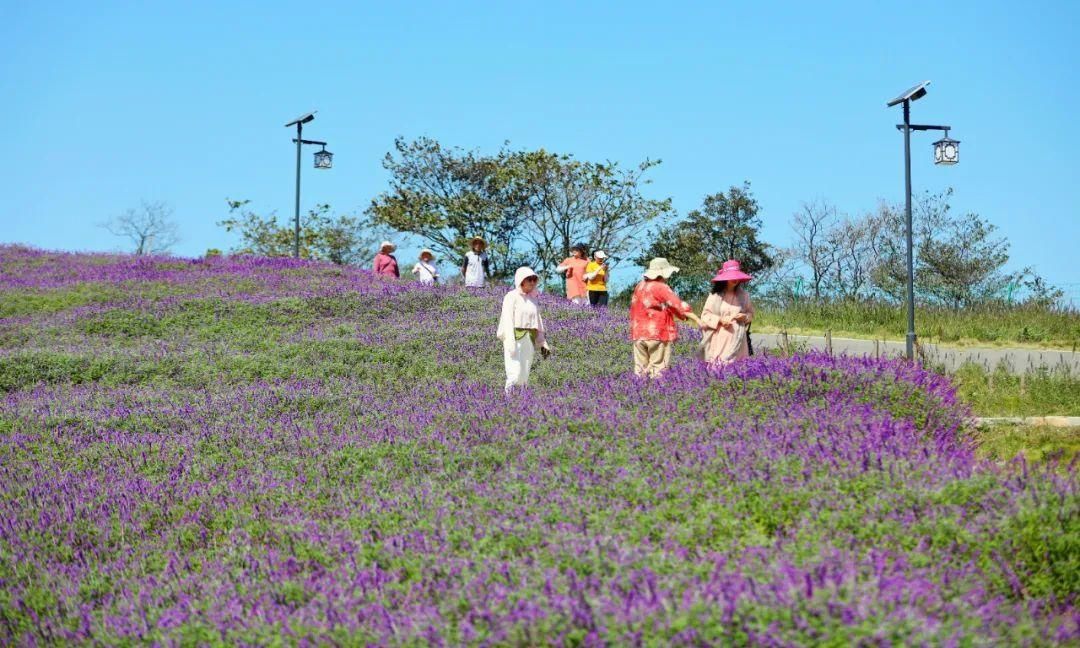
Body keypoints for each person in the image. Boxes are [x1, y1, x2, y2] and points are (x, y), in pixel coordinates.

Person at [629, 258, 700, 378]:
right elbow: (677, 305)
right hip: (657, 333)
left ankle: (639, 391)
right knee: (658, 367)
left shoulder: (639, 286)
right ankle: (656, 394)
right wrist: (694, 318)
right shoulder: (661, 287)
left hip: (638, 333)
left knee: (640, 368)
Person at [496, 267, 552, 392]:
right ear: (521, 280)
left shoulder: (533, 299)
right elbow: (507, 319)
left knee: (524, 373)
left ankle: (521, 401)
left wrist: (542, 342)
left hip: (529, 338)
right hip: (515, 337)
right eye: (529, 279)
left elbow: (537, 321)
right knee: (514, 371)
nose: (532, 282)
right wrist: (510, 341)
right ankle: (508, 398)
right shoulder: (511, 296)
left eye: (534, 280)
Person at [698, 260, 755, 365]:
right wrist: (720, 320)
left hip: (739, 339)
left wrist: (744, 317)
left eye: (736, 276)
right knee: (718, 365)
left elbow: (750, 314)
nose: (735, 279)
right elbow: (705, 315)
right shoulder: (715, 295)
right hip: (719, 338)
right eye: (731, 277)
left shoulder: (744, 295)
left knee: (737, 367)